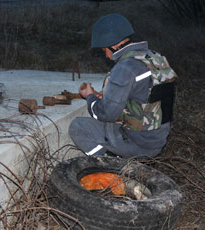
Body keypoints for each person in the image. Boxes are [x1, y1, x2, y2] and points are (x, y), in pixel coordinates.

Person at [69, 13, 177, 158]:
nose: (106, 55)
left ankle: (108, 167)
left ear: (113, 45)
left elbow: (104, 115)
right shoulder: (154, 57)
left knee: (78, 127)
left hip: (139, 143)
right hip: (158, 139)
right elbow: (145, 99)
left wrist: (89, 97)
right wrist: (107, 96)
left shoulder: (125, 67)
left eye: (104, 50)